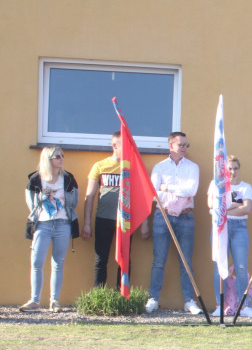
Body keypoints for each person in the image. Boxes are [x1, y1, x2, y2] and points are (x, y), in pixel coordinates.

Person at [148, 131, 202, 315]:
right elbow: (154, 193)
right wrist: (177, 192)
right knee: (159, 260)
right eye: (181, 145)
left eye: (187, 145)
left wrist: (168, 188)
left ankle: (189, 301)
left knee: (186, 260)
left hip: (186, 217)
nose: (185, 148)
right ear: (171, 146)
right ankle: (153, 298)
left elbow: (192, 190)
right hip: (163, 216)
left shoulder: (193, 167)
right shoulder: (160, 167)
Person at [83, 132, 145, 288]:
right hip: (103, 218)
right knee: (100, 258)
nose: (128, 149)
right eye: (124, 145)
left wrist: (144, 225)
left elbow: (142, 197)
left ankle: (121, 295)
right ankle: (99, 294)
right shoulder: (100, 166)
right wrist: (87, 224)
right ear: (114, 145)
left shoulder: (132, 167)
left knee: (124, 260)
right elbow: (89, 196)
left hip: (124, 220)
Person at [21, 146, 78, 313]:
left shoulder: (68, 179)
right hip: (42, 224)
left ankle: (55, 300)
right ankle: (34, 300)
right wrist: (41, 215)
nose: (61, 159)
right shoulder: (35, 179)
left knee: (58, 263)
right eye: (57, 156)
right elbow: (31, 203)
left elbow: (74, 200)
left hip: (63, 223)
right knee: (37, 262)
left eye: (62, 156)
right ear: (48, 159)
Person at [207, 155, 252, 317]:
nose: (233, 172)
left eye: (235, 168)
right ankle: (219, 305)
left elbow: (246, 209)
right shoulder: (216, 185)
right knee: (219, 267)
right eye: (229, 168)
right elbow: (212, 205)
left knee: (241, 267)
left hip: (239, 228)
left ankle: (244, 307)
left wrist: (225, 208)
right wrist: (235, 205)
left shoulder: (245, 187)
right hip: (220, 228)